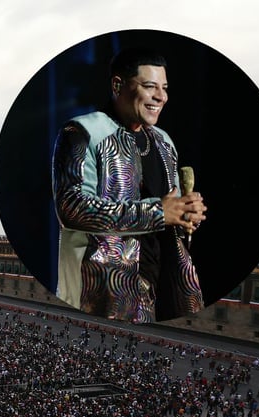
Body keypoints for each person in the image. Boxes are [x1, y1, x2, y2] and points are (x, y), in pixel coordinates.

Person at [52, 47, 206, 323]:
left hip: (168, 285)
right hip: (104, 293)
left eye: (165, 88)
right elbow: (71, 206)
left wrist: (187, 213)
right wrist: (159, 212)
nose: (161, 96)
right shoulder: (81, 132)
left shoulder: (163, 141)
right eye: (150, 86)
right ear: (118, 85)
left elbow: (172, 206)